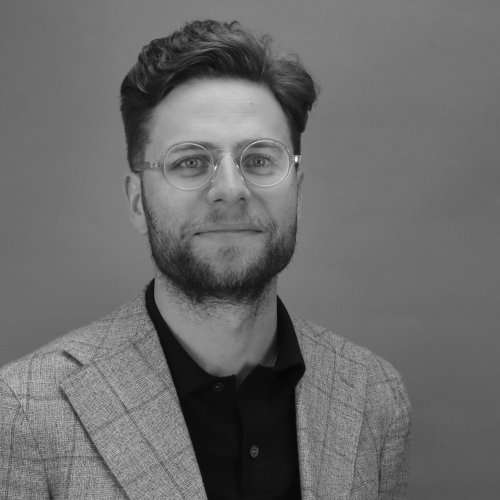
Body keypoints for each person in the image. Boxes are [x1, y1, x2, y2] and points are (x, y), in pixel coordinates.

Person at [0, 19, 411, 500]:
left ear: (297, 194)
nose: (231, 190)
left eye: (259, 159)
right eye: (190, 162)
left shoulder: (375, 394)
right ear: (138, 202)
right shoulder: (24, 411)